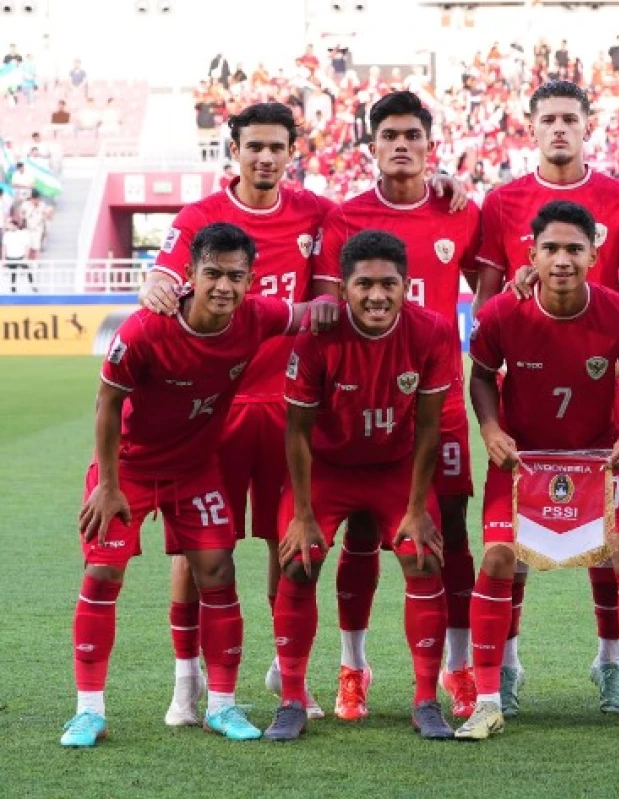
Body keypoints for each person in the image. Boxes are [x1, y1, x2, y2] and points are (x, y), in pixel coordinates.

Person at [60, 222, 323, 747]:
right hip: (128, 469)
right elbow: (107, 402)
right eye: (212, 274)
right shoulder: (145, 328)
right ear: (189, 274)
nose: (223, 286)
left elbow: (313, 314)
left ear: (252, 281)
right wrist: (107, 484)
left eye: (235, 276)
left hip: (195, 469)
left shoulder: (256, 317)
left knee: (218, 571)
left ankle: (222, 706)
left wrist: (365, 303)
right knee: (103, 573)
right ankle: (88, 711)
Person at [141, 101, 340, 725]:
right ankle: (188, 682)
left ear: (290, 152)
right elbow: (164, 281)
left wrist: (441, 185)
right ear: (235, 148)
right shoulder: (199, 218)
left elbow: (339, 282)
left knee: (291, 549)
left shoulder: (317, 214)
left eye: (276, 147)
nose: (265, 157)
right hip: (214, 413)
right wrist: (152, 284)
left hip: (290, 413)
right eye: (253, 146)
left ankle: (289, 676)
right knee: (198, 552)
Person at [456, 201, 619, 741]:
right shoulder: (504, 312)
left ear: (595, 255)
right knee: (502, 557)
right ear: (532, 255)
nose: (563, 259)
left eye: (575, 249)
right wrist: (490, 430)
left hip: (597, 457)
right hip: (523, 458)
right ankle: (494, 687)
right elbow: (480, 376)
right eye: (550, 249)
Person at [472, 80, 619, 716]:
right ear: (531, 125)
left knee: (611, 548)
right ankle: (506, 671)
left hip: (598, 402)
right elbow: (486, 305)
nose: (560, 129)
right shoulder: (503, 199)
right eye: (548, 119)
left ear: (587, 125)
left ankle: (610, 666)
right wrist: (514, 297)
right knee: (510, 549)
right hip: (529, 409)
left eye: (571, 118)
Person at [313, 91, 482, 721]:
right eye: (389, 135)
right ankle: (353, 667)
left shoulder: (461, 211)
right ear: (373, 146)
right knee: (360, 532)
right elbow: (328, 316)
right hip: (364, 408)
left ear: (430, 144)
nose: (402, 144)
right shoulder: (344, 219)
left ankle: (458, 667)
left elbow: (487, 299)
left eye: (413, 134)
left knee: (451, 536)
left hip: (439, 403)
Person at [264, 230, 456, 742]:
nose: (377, 295)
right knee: (299, 562)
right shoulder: (317, 338)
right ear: (344, 288)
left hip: (395, 469)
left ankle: (425, 700)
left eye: (388, 284)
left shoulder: (432, 331)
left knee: (423, 556)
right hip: (327, 469)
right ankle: (292, 698)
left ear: (406, 286)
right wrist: (303, 515)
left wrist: (417, 509)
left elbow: (430, 429)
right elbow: (297, 433)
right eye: (364, 284)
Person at [2, 219, 33, 293]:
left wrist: (26, 257)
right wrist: (3, 258)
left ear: (14, 225)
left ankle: (33, 285)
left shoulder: (23, 234)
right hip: (10, 257)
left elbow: (27, 246)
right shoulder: (6, 235)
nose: (9, 226)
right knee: (13, 273)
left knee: (28, 271)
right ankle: (13, 289)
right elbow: (4, 247)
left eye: (10, 225)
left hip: (21, 256)